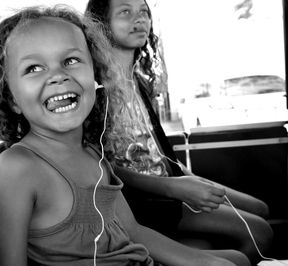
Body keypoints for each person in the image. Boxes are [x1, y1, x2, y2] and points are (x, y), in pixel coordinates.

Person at [0, 5, 250, 266]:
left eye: (71, 60)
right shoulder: (17, 168)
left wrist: (205, 262)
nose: (58, 76)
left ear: (96, 76)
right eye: (34, 68)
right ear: (11, 99)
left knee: (237, 261)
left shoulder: (93, 153)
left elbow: (132, 231)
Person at [85, 0, 273, 264]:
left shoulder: (137, 82)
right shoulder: (96, 91)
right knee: (260, 233)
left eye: (143, 12)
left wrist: (187, 176)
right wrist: (173, 188)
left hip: (169, 182)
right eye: (125, 12)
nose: (139, 19)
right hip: (144, 201)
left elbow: (157, 149)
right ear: (101, 24)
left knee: (260, 209)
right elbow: (96, 166)